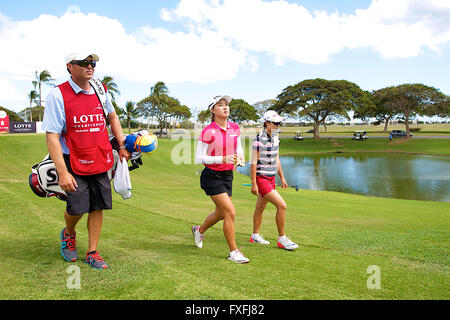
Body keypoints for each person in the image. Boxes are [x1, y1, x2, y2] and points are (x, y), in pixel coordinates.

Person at [42, 51, 130, 269]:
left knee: (98, 205)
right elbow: (52, 135)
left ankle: (92, 252)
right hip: (72, 158)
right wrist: (63, 172)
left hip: (100, 156)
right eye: (83, 63)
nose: (90, 66)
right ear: (70, 66)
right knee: (78, 207)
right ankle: (69, 233)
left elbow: (112, 116)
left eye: (92, 63)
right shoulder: (58, 94)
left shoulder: (100, 88)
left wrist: (121, 144)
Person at [192, 95, 249, 263]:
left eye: (226, 105)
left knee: (221, 214)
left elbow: (239, 148)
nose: (225, 108)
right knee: (230, 212)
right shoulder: (208, 131)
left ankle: (199, 230)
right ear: (213, 110)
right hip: (212, 176)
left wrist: (240, 159)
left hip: (227, 175)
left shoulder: (234, 128)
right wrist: (222, 158)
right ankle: (234, 252)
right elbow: (199, 157)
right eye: (220, 105)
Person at [249, 110, 298, 250]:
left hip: (271, 178)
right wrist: (254, 183)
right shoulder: (259, 139)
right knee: (282, 206)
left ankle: (255, 236)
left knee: (260, 207)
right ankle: (282, 239)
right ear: (266, 123)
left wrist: (282, 177)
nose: (277, 125)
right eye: (275, 122)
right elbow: (253, 162)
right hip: (262, 178)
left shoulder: (276, 138)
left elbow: (276, 158)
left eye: (278, 122)